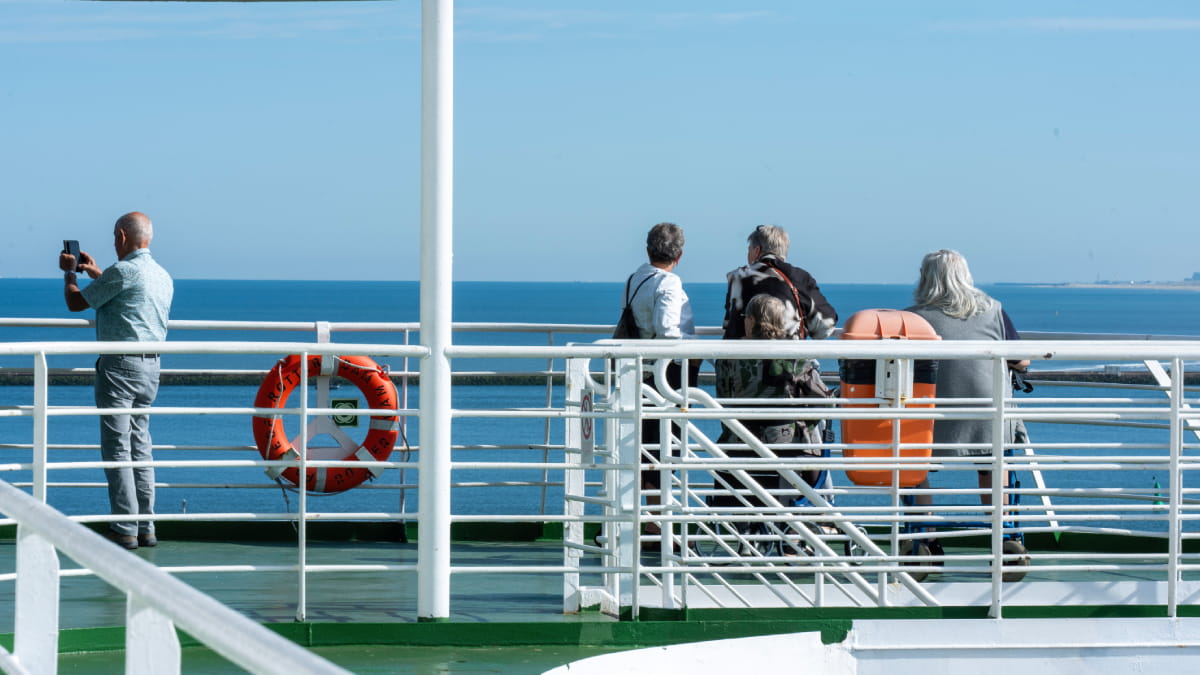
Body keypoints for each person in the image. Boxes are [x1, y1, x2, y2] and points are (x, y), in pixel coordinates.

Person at [59, 212, 174, 550]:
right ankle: (146, 525)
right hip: (150, 369)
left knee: (117, 448)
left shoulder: (124, 271)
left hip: (119, 368)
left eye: (114, 236)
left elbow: (75, 303)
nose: (113, 242)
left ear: (123, 237)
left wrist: (69, 273)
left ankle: (124, 527)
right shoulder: (161, 275)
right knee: (141, 446)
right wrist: (95, 272)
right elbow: (121, 291)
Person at [905, 249, 1027, 508]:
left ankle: (925, 537)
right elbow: (1023, 361)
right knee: (992, 463)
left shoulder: (912, 318)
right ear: (966, 276)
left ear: (925, 278)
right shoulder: (993, 311)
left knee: (913, 464)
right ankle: (1002, 532)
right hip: (986, 410)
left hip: (930, 415)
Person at [619, 222, 700, 547]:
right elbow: (667, 330)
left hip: (639, 373)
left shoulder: (634, 279)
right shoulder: (669, 281)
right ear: (679, 254)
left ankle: (649, 520)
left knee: (645, 447)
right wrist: (688, 353)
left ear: (648, 249)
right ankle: (657, 522)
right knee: (664, 448)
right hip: (667, 377)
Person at [721, 225, 837, 342]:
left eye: (749, 249)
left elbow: (728, 323)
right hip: (787, 357)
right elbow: (825, 327)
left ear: (757, 251)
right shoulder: (800, 278)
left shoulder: (737, 277)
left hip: (739, 357)